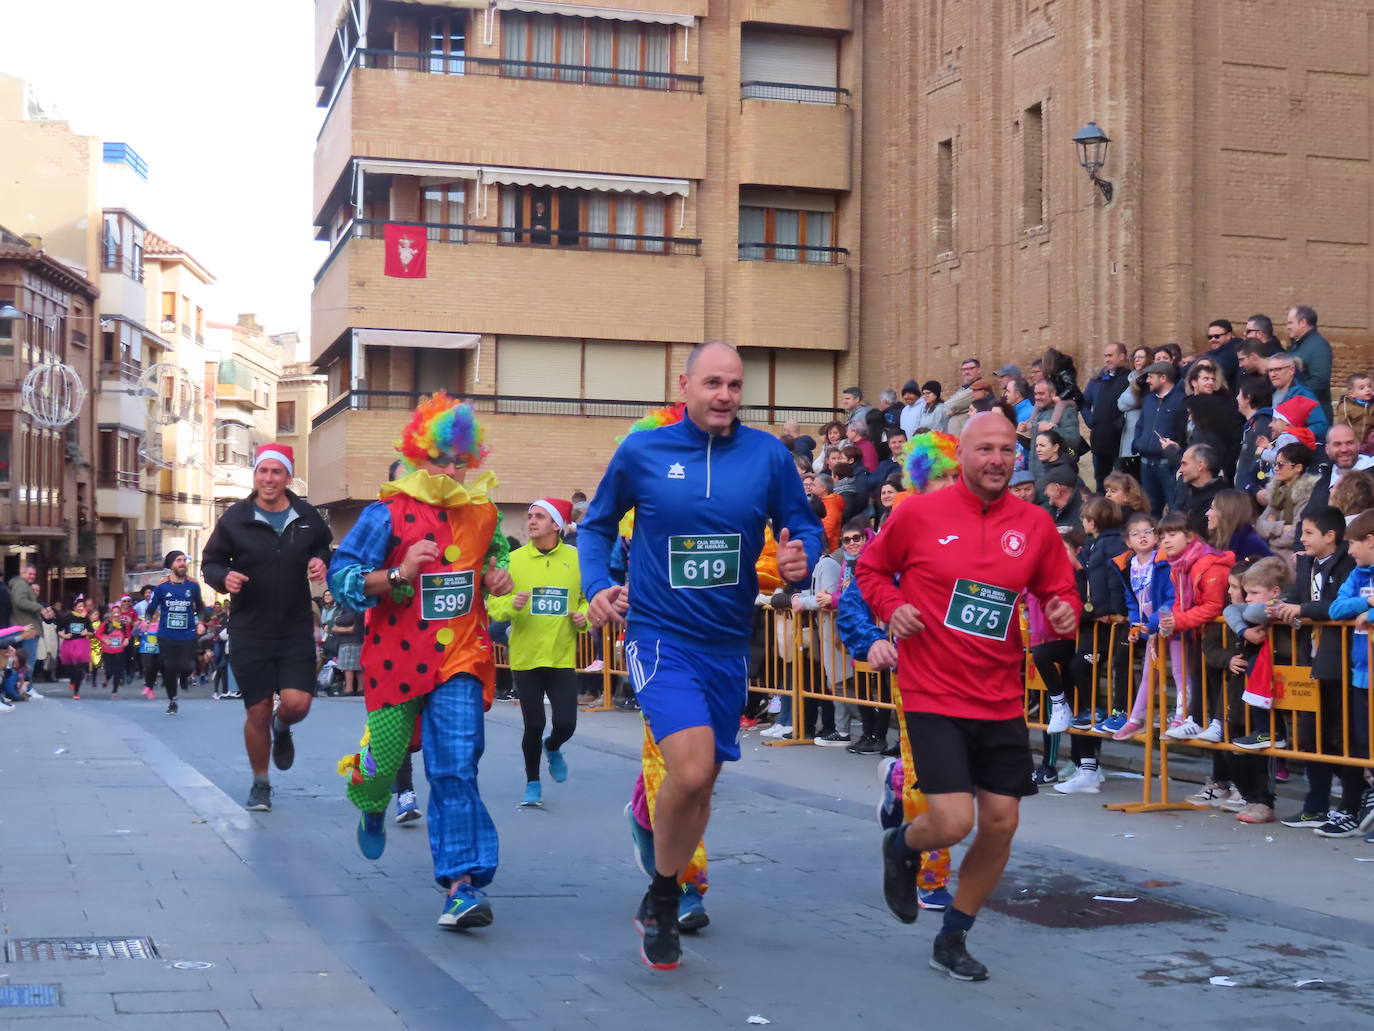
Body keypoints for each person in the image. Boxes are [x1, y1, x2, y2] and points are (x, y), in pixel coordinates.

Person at [578, 341, 823, 970]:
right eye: (713, 383)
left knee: (703, 781)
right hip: (659, 636)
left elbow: (804, 523)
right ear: (683, 385)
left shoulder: (767, 456)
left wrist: (803, 558)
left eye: (735, 385)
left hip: (727, 643)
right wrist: (597, 584)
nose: (725, 395)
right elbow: (599, 525)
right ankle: (664, 892)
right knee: (688, 770)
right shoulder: (644, 451)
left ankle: (661, 889)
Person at [857, 413, 1080, 982]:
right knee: (953, 822)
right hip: (932, 689)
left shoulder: (1033, 524)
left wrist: (1063, 609)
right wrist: (891, 608)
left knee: (1001, 822)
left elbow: (1060, 588)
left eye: (1008, 450)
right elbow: (871, 569)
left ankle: (953, 935)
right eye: (986, 449)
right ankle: (901, 845)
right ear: (964, 455)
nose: (998, 460)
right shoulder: (918, 514)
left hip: (1001, 695)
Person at [330, 393, 514, 928]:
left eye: (461, 460)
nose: (452, 470)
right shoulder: (383, 513)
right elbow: (344, 580)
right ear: (419, 456)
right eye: (441, 459)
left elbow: (497, 553)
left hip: (460, 658)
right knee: (380, 770)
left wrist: (499, 574)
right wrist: (400, 572)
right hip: (396, 663)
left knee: (455, 767)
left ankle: (461, 884)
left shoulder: (482, 511)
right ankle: (370, 802)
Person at [202, 443, 333, 811]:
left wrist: (321, 563)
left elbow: (325, 549)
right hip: (250, 628)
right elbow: (210, 562)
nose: (269, 479)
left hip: (294, 627)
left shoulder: (307, 516)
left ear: (288, 477)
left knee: (298, 703)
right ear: (255, 475)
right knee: (256, 709)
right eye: (263, 471)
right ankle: (261, 782)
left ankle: (283, 725)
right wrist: (223, 577)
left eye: (277, 472)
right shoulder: (235, 518)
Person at [487, 498, 589, 808]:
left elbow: (587, 598)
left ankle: (554, 746)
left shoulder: (577, 559)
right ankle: (532, 783)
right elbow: (494, 603)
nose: (531, 521)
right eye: (530, 516)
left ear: (556, 525)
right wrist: (511, 606)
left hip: (560, 656)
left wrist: (585, 617)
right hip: (526, 657)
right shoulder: (514, 560)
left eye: (539, 517)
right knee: (533, 724)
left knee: (566, 724)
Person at [1269, 506, 1359, 829]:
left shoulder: (1349, 562)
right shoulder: (1306, 562)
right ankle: (1316, 803)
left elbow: (1337, 605)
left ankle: (1353, 800)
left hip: (1340, 661)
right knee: (1310, 736)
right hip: (1309, 658)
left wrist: (1301, 608)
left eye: (1307, 533)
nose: (1301, 539)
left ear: (1330, 536)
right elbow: (1298, 595)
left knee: (1339, 736)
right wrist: (1281, 607)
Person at [145, 553, 205, 714]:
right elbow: (151, 609)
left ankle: (185, 676)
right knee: (170, 667)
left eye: (184, 560)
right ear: (171, 565)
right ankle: (173, 700)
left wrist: (200, 622)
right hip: (166, 634)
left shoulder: (193, 585)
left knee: (186, 666)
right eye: (179, 561)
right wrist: (147, 620)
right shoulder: (162, 586)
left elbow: (200, 607)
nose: (182, 563)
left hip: (188, 633)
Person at [1133, 361, 1188, 514]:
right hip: (1145, 464)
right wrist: (1138, 443)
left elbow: (1184, 433)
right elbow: (1140, 425)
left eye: (1151, 377)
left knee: (1175, 508)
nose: (1147, 380)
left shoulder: (1181, 401)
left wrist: (1177, 451)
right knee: (1150, 510)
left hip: (1168, 465)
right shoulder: (1148, 399)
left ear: (1163, 378)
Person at [1255, 443, 1317, 564]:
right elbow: (1258, 525)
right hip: (1270, 554)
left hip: (1290, 559)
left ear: (1298, 467)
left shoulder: (1306, 495)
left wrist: (1270, 535)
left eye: (1281, 464)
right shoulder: (1277, 491)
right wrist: (1280, 527)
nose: (1276, 468)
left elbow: (1296, 536)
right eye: (1275, 464)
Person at [1084, 342, 1130, 489]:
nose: (1106, 359)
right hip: (1099, 440)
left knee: (1121, 483)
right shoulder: (1098, 379)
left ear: (1121, 356)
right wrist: (1092, 422)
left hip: (1120, 441)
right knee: (1100, 482)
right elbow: (1083, 403)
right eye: (1105, 356)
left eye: (1110, 356)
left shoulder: (1130, 379)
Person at [1267, 353, 1329, 441]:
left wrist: (1292, 434)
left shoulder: (1303, 394)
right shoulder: (1269, 394)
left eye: (1278, 369)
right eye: (1270, 370)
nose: (1273, 374)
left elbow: (1321, 426)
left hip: (1296, 450)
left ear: (1291, 370)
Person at [1285, 304, 1333, 418]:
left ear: (1303, 323)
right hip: (1302, 412)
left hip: (1314, 415)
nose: (1287, 327)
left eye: (1290, 323)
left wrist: (1293, 396)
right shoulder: (1299, 344)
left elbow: (1320, 380)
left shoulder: (1318, 345)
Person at [1206, 489, 1271, 563]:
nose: (1207, 513)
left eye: (1212, 508)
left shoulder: (1252, 544)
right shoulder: (1219, 540)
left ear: (1227, 512)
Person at [1172, 444, 1225, 523]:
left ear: (1200, 465)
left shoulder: (1221, 499)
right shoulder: (1183, 489)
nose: (1180, 470)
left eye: (1184, 464)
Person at [57, 598, 94, 699]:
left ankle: (76, 691)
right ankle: (72, 680)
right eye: (79, 606)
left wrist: (86, 633)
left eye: (83, 606)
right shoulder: (67, 616)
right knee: (69, 668)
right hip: (69, 644)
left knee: (80, 668)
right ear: (74, 607)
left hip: (81, 644)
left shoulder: (85, 617)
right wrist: (64, 636)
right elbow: (59, 629)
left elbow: (92, 632)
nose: (81, 608)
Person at [1334, 373, 1374, 444]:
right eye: (1362, 388)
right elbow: (1343, 427)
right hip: (1354, 442)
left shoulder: (1372, 404)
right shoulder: (1346, 407)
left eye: (1369, 386)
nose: (1368, 389)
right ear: (1352, 394)